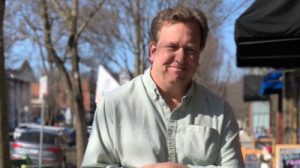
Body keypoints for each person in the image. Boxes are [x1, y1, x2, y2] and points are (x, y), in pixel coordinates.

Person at [82, 6, 244, 168]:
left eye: (190, 50)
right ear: (153, 51)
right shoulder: (114, 106)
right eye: (172, 47)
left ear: (198, 56)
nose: (180, 58)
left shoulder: (220, 112)